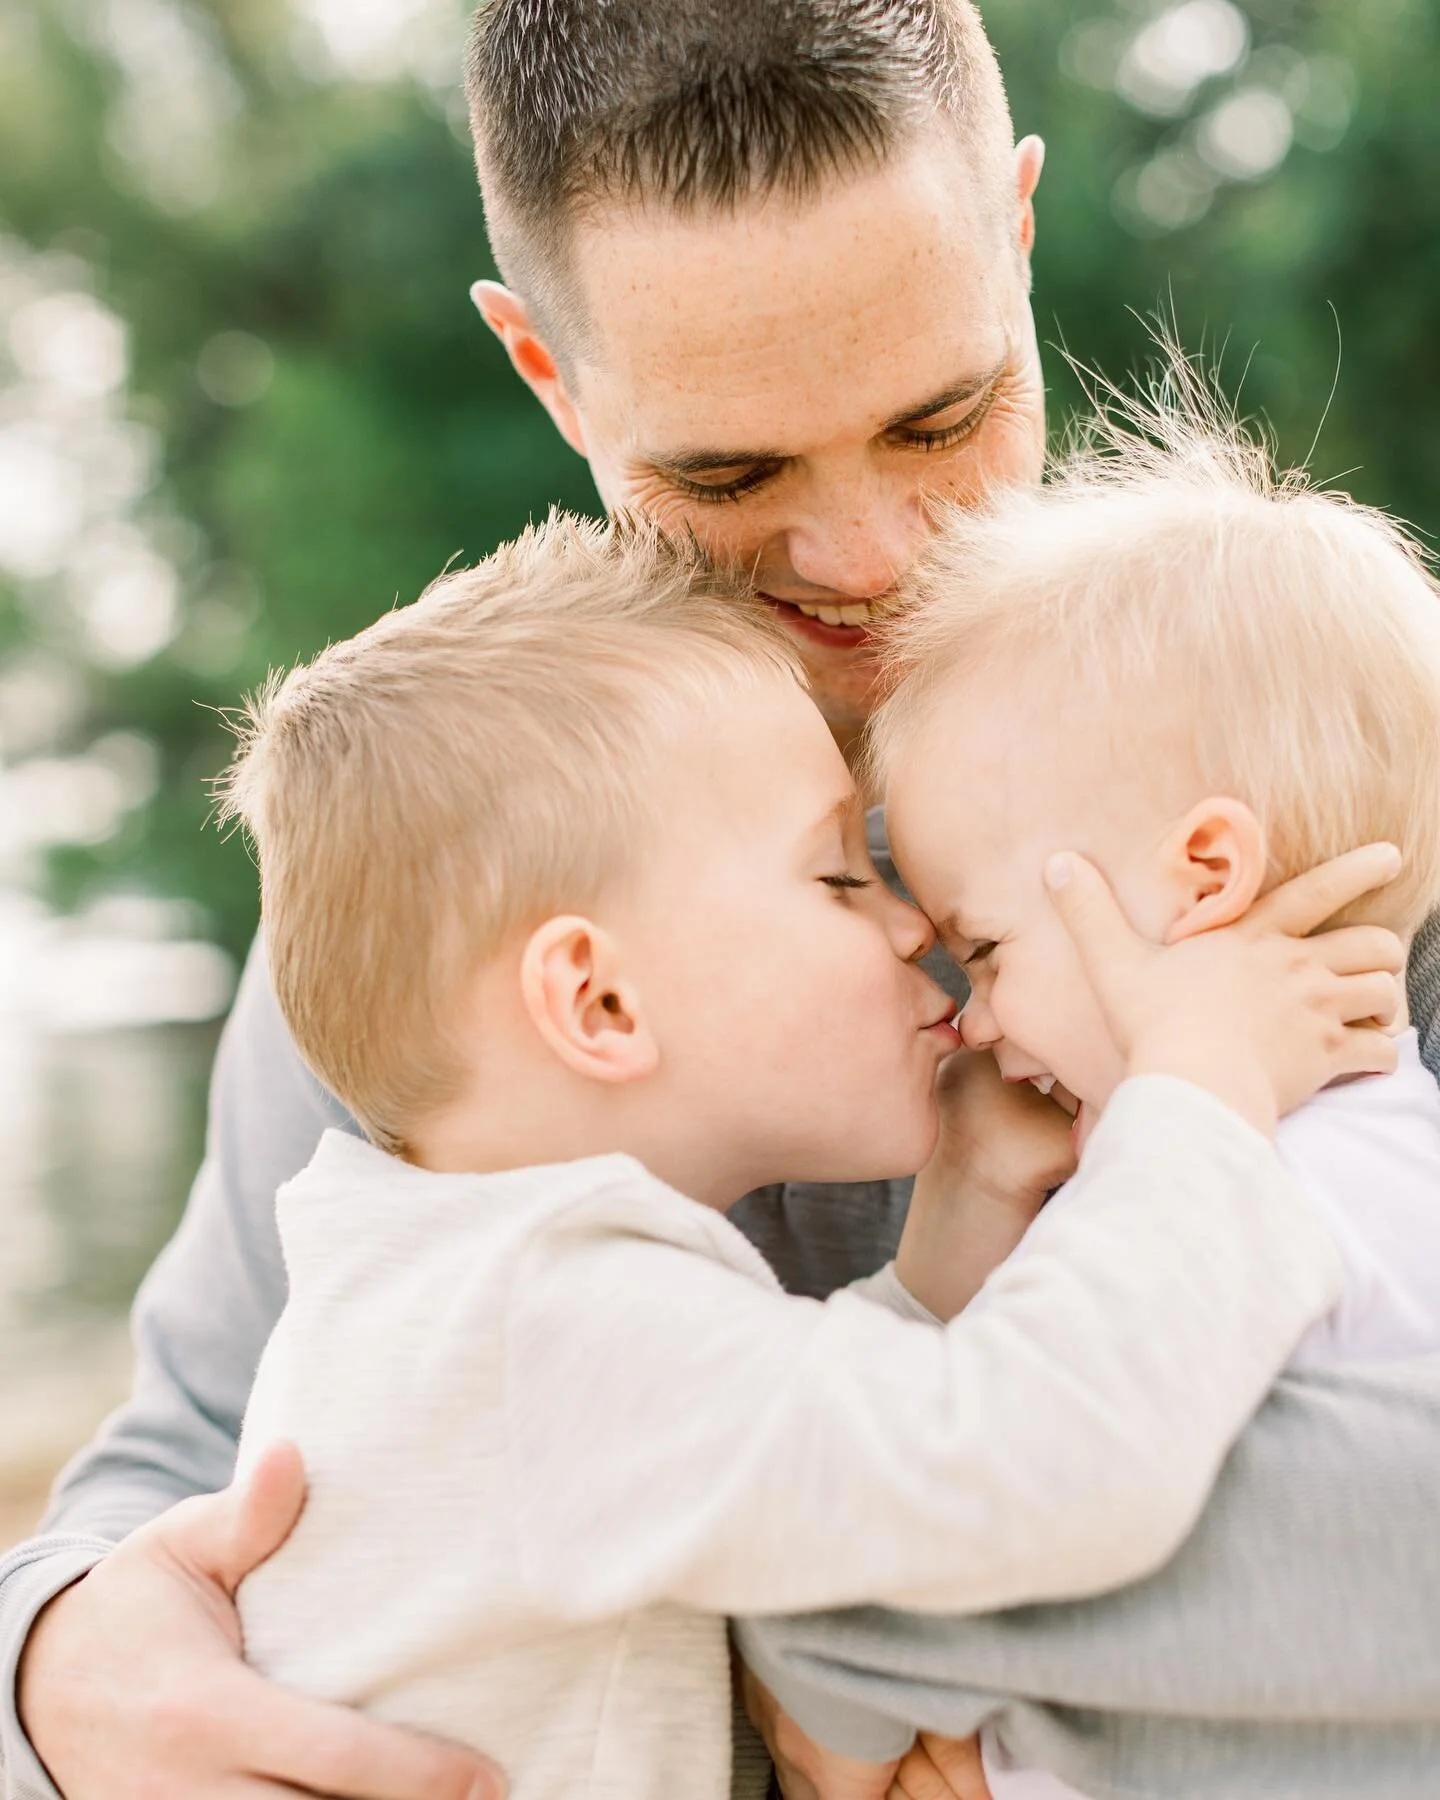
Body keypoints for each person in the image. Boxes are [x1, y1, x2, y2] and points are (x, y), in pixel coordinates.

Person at [2, 3, 1436, 1798]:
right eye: (729, 476)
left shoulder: (1319, 752)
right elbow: (197, 1465)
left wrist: (819, 1638)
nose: (871, 554)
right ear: (549, 374)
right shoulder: (453, 886)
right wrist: (58, 1662)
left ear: (1015, 232)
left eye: (943, 416)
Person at [216, 510, 1372, 1800]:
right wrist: (1197, 1087)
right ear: (600, 1002)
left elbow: (820, 1426)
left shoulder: (460, 1285)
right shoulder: (548, 1323)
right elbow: (1035, 1476)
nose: (914, 926)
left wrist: (961, 1206)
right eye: (837, 877)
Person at [739, 388, 1440, 1798]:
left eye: (990, 947)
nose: (975, 1012)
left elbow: (884, 1539)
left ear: (1203, 877)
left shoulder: (1245, 1196)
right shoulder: (1381, 1155)